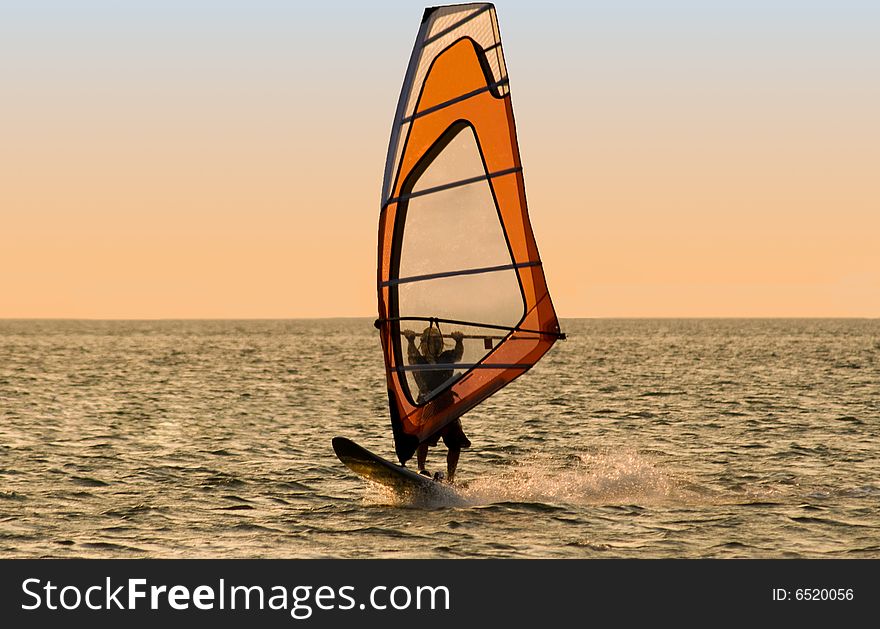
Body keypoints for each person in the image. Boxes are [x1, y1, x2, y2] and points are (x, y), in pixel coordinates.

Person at [402, 325, 470, 483]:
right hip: (427, 402)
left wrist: (459, 341)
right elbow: (411, 357)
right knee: (423, 437)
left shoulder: (446, 357)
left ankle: (451, 478)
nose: (435, 345)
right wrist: (410, 340)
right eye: (431, 341)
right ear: (424, 343)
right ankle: (421, 468)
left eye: (437, 341)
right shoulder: (419, 360)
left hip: (446, 403)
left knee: (454, 442)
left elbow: (458, 355)